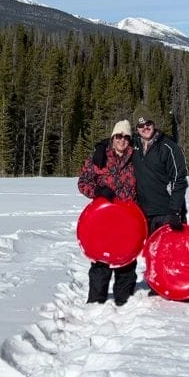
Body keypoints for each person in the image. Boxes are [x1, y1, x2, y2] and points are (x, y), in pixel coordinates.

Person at [77, 119, 139, 306]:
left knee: (127, 261)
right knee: (100, 261)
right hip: (103, 219)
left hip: (128, 219)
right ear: (113, 137)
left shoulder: (137, 158)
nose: (122, 140)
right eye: (119, 136)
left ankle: (124, 302)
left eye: (126, 137)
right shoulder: (99, 157)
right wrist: (97, 191)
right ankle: (96, 302)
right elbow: (83, 183)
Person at [132, 115, 188, 235]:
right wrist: (101, 146)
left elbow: (179, 180)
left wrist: (175, 211)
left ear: (154, 124)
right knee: (146, 252)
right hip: (143, 213)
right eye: (141, 125)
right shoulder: (134, 145)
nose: (145, 128)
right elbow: (116, 141)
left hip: (166, 213)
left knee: (167, 251)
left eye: (148, 124)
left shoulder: (168, 147)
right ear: (137, 129)